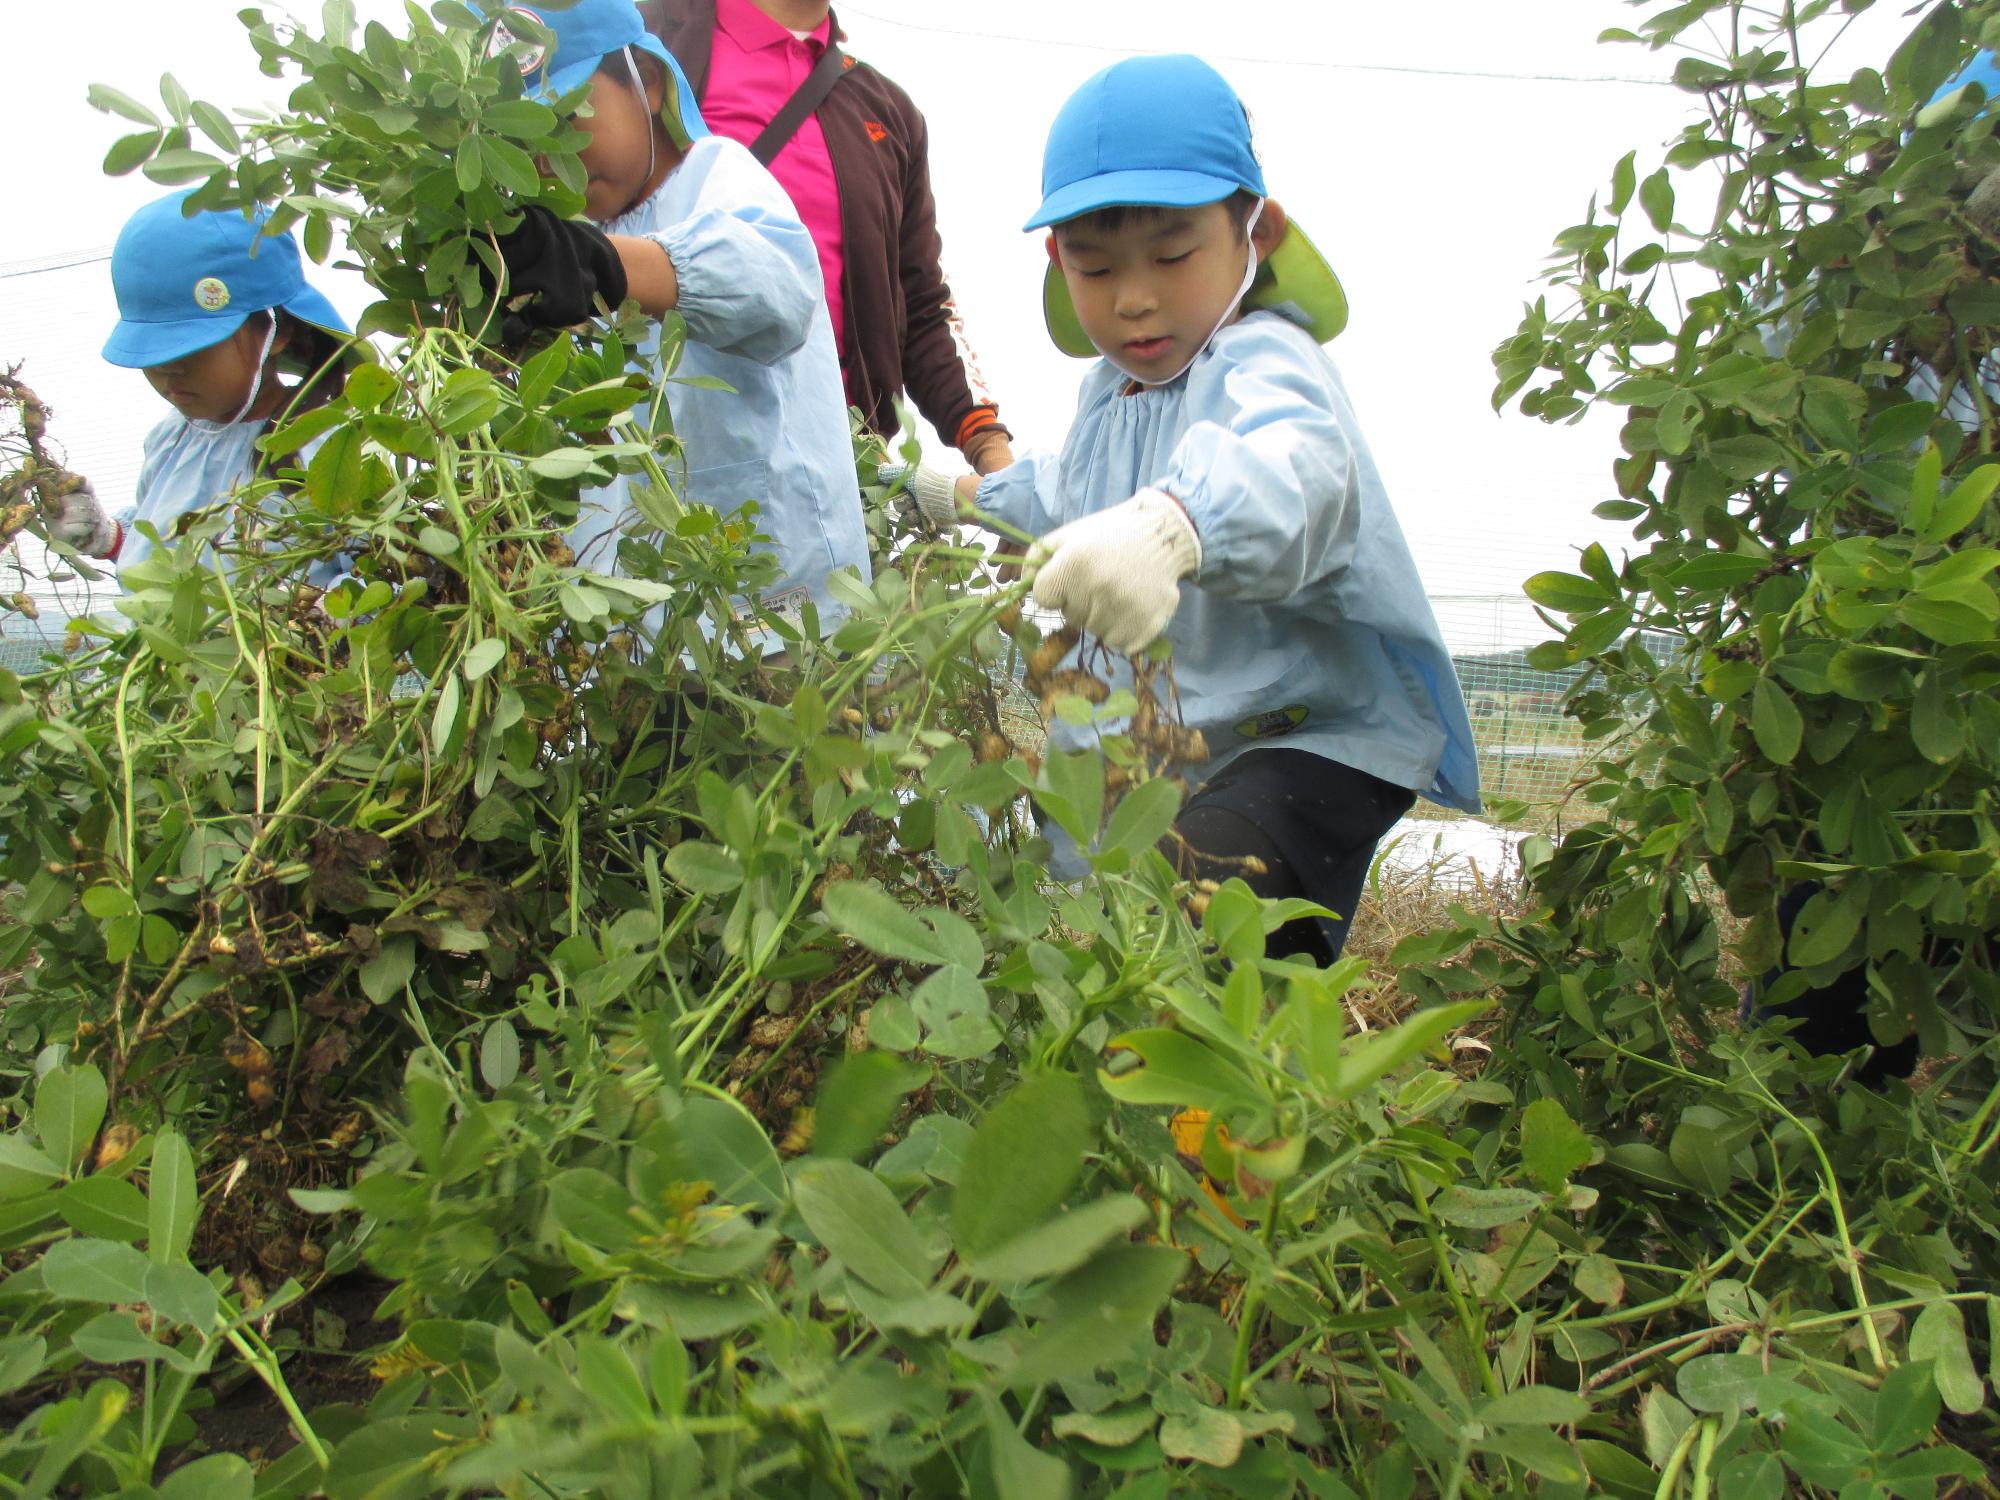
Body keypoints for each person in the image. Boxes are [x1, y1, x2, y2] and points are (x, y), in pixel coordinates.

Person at [907, 55, 1481, 963]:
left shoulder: (1266, 361)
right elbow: (1058, 491)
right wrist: (950, 496)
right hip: (1170, 758)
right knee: (1098, 931)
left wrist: (1177, 524)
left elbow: (1297, 469)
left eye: (1173, 255)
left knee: (1193, 907)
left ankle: (1258, 1090)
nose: (1135, 299)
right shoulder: (1110, 397)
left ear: (1258, 230)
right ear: (1058, 266)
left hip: (1306, 743)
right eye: (1096, 270)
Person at [491, 0, 867, 632]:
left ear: (648, 77)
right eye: (526, 147)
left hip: (782, 613)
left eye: (568, 119)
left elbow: (777, 288)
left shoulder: (718, 176)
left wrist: (607, 266)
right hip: (646, 637)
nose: (555, 163)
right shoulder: (572, 249)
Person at [636, 0, 1014, 476]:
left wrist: (992, 455)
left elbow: (921, 306)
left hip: (839, 472)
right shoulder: (649, 38)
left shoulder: (887, 110)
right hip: (666, 452)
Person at [80, 190, 353, 576]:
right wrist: (111, 540)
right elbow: (164, 566)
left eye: (194, 345)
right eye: (152, 352)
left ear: (277, 332)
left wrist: (331, 610)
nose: (168, 368)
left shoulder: (334, 443)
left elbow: (383, 579)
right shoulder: (168, 441)